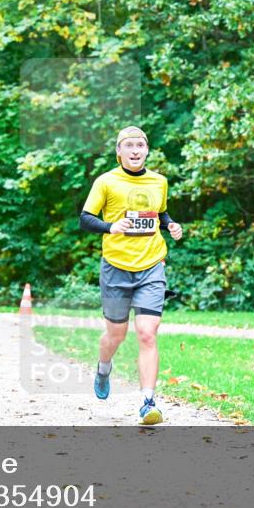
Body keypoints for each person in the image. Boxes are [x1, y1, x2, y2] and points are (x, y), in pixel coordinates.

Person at [79, 126, 183, 425]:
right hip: (116, 267)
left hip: (152, 265)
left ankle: (148, 402)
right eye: (129, 145)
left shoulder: (159, 181)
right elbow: (86, 218)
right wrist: (111, 227)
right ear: (119, 152)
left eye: (140, 145)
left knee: (147, 333)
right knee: (116, 334)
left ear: (147, 150)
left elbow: (160, 214)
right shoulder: (106, 182)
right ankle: (103, 367)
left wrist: (171, 225)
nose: (136, 150)